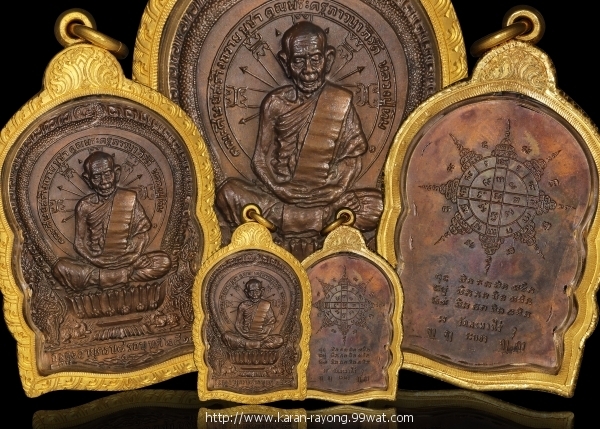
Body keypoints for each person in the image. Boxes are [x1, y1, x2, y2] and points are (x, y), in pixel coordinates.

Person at [217, 21, 382, 257]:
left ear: (328, 59)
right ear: (285, 62)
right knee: (227, 192)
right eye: (298, 61)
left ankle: (286, 225)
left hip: (326, 199)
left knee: (377, 205)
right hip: (280, 198)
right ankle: (314, 223)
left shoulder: (339, 101)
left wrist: (336, 191)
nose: (308, 70)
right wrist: (280, 189)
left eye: (315, 59)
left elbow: (352, 159)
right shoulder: (275, 103)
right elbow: (260, 160)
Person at [53, 151, 171, 291]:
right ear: (87, 179)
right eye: (96, 177)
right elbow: (79, 243)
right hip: (97, 262)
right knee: (60, 268)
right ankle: (122, 275)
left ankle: (103, 278)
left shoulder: (128, 198)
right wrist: (95, 259)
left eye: (108, 174)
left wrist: (134, 256)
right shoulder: (85, 206)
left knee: (163, 262)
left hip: (127, 259)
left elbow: (142, 234)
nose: (104, 182)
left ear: (117, 173)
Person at [222, 279, 283, 350]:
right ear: (246, 292)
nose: (254, 294)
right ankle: (259, 344)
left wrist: (265, 334)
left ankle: (248, 344)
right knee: (226, 336)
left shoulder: (266, 304)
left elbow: (270, 323)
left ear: (262, 290)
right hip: (246, 336)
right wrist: (244, 334)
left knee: (279, 340)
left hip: (261, 336)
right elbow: (238, 324)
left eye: (257, 291)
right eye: (251, 292)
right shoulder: (243, 305)